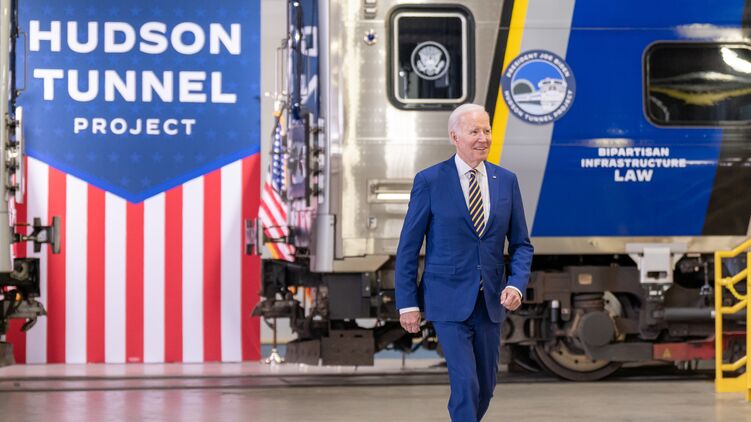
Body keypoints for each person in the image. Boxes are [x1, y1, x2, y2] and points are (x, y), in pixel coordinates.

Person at [395, 103, 534, 421]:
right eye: (474, 131)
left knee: (486, 386)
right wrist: (407, 304)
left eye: (487, 130)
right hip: (446, 299)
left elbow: (521, 244)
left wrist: (516, 284)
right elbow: (408, 248)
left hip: (490, 302)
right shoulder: (430, 180)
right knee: (466, 383)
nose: (483, 138)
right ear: (454, 137)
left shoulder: (506, 180)